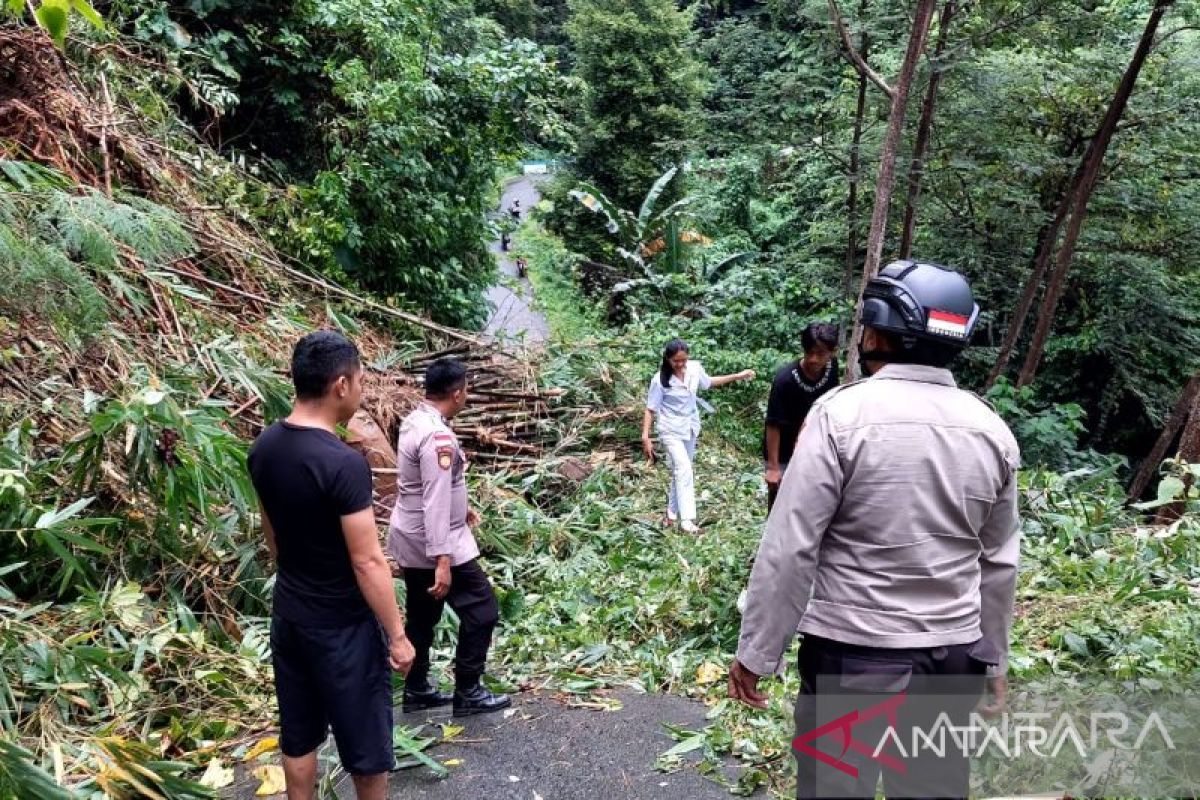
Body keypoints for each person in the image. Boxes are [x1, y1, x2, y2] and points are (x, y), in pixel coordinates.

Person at [727, 260, 1021, 800]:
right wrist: (993, 660)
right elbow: (999, 563)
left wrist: (758, 652)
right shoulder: (991, 430)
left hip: (853, 655)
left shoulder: (841, 416)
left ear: (880, 331)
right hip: (952, 657)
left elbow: (791, 546)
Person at [248, 330, 415, 800]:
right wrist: (398, 636)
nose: (361, 390)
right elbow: (367, 561)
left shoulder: (264, 448)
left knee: (299, 738)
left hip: (290, 618)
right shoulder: (342, 463)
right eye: (360, 380)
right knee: (365, 748)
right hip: (342, 626)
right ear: (341, 385)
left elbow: (273, 541)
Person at [388, 357, 511, 716]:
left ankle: (417, 687)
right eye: (467, 390)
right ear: (457, 393)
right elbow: (436, 497)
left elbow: (422, 484)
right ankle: (469, 690)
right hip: (435, 541)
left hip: (411, 534)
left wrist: (463, 509)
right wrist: (443, 559)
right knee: (482, 609)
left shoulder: (415, 420)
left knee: (423, 615)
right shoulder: (438, 435)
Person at [641, 339, 756, 533]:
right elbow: (650, 409)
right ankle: (687, 522)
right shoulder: (660, 380)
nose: (680, 364)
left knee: (681, 470)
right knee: (684, 468)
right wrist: (645, 437)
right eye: (676, 361)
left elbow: (709, 382)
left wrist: (738, 376)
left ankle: (671, 513)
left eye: (683, 360)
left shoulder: (694, 369)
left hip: (690, 427)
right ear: (667, 359)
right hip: (670, 429)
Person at [763, 322, 840, 511]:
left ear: (833, 352)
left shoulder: (832, 368)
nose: (813, 359)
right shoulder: (785, 380)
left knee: (808, 505)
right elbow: (773, 424)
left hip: (813, 447)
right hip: (783, 451)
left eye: (820, 354)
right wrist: (773, 468)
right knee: (779, 506)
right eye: (809, 352)